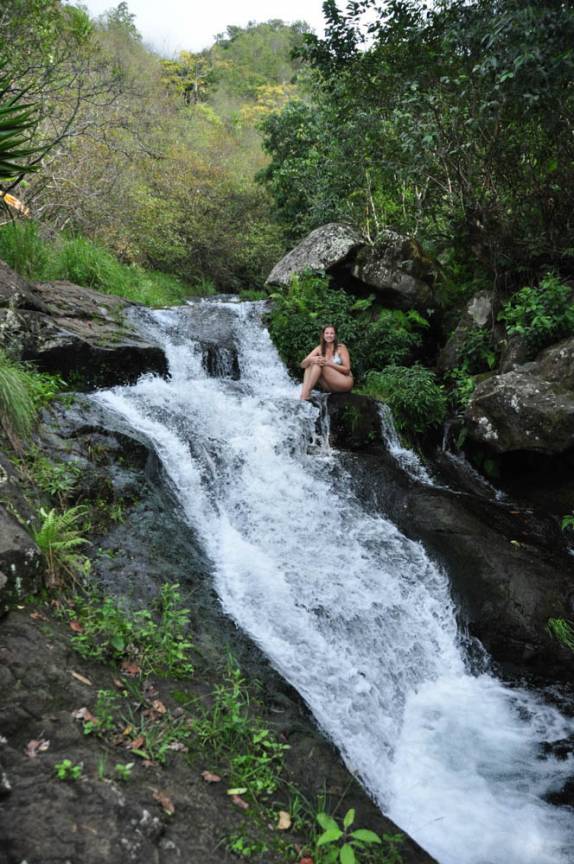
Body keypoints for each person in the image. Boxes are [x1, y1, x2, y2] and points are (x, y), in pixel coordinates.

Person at [299, 324, 354, 400]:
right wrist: (311, 359)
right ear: (323, 335)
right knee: (311, 364)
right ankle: (304, 395)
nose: (329, 335)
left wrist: (328, 363)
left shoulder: (341, 347)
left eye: (332, 333)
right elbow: (303, 365)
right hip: (330, 386)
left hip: (344, 382)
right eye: (327, 333)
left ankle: (307, 393)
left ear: (335, 335)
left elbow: (347, 370)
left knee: (319, 363)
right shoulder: (319, 348)